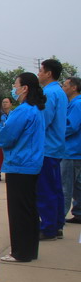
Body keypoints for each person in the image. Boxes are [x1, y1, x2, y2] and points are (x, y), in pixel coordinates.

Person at [0, 72, 47, 262]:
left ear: (24, 88)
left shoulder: (23, 111)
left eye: (15, 85)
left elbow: (6, 137)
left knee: (18, 212)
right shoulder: (37, 109)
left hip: (19, 165)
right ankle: (29, 250)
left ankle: (20, 252)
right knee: (29, 210)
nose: (14, 88)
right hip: (31, 164)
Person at [37, 59, 66, 240]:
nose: (39, 74)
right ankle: (57, 225)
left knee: (45, 189)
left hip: (47, 147)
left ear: (48, 73)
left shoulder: (48, 93)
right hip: (56, 146)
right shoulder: (60, 91)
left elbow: (44, 120)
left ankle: (48, 228)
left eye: (41, 70)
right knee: (55, 188)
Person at [61, 77, 81, 224]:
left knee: (66, 186)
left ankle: (58, 218)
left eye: (65, 85)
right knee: (76, 185)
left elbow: (71, 126)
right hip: (74, 151)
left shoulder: (77, 104)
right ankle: (79, 212)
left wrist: (56, 132)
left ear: (74, 88)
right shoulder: (74, 103)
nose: (63, 88)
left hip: (71, 151)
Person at [0, 97, 13, 180]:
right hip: (0, 138)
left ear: (11, 104)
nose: (4, 104)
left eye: (6, 102)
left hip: (11, 138)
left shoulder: (13, 114)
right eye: (3, 102)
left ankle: (9, 173)